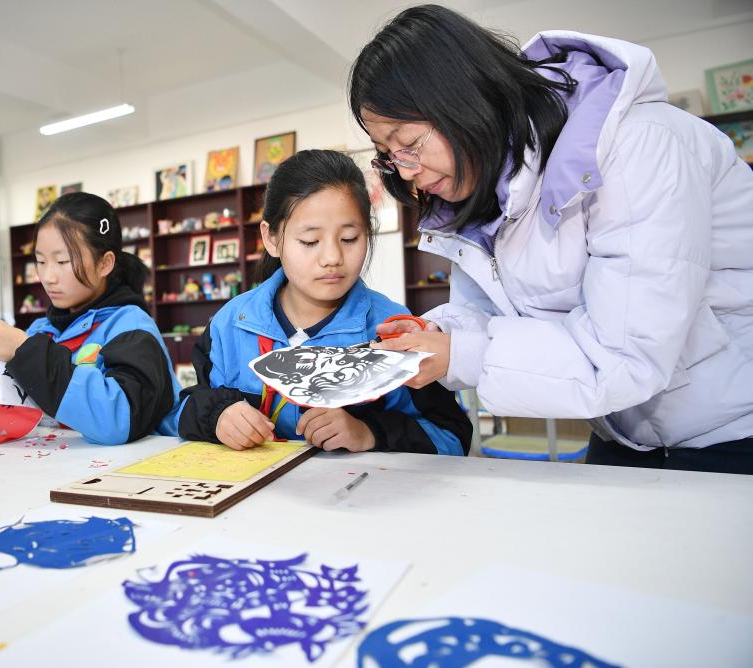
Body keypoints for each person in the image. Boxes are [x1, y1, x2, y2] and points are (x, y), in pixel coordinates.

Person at [348, 5, 753, 473]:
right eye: (388, 156)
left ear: (464, 101)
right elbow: (489, 312)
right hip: (626, 432)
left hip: (734, 432)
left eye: (410, 144)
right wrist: (439, 333)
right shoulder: (484, 189)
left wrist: (459, 354)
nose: (407, 173)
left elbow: (625, 355)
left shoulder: (638, 147)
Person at [176, 149, 472, 454]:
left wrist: (369, 433)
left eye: (349, 239)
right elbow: (181, 409)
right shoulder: (230, 325)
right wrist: (216, 417)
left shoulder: (394, 329)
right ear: (271, 239)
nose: (332, 258)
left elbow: (452, 437)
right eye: (310, 242)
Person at [0, 192, 182, 444]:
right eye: (40, 261)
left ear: (104, 264)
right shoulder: (40, 329)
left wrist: (25, 352)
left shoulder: (132, 327)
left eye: (62, 261)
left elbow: (118, 420)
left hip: (127, 473)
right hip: (58, 469)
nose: (48, 276)